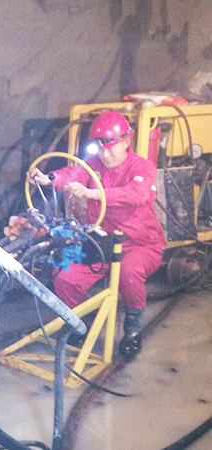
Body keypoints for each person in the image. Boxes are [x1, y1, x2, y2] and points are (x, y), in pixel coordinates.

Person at [26, 111, 166, 359]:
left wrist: (93, 194)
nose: (105, 154)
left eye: (110, 148)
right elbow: (74, 173)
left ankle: (133, 328)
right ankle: (81, 321)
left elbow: (136, 194)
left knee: (129, 272)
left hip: (140, 244)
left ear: (126, 141)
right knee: (64, 275)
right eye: (100, 148)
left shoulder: (142, 167)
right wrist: (48, 179)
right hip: (101, 242)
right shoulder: (94, 165)